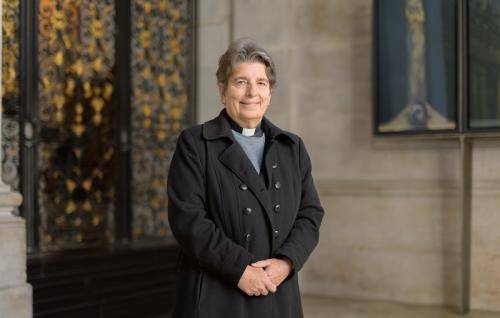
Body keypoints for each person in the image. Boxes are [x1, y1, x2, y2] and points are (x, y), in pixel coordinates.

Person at [168, 38, 324, 318]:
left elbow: (310, 215)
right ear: (222, 89)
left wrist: (287, 263)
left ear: (270, 91)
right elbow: (187, 219)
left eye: (261, 83)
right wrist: (240, 269)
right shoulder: (195, 143)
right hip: (216, 296)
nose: (252, 92)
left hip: (278, 294)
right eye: (240, 82)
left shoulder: (293, 148)